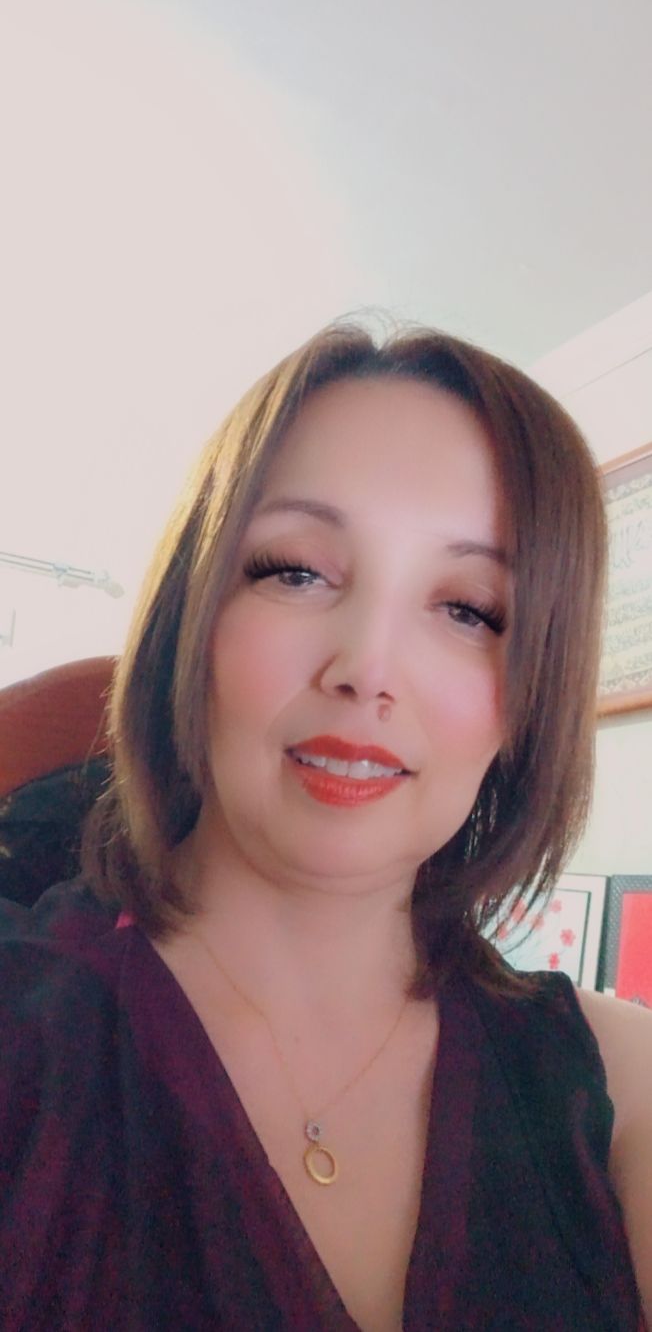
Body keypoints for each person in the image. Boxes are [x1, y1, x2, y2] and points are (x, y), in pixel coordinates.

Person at [0, 319, 649, 1331]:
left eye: (470, 609)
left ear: (530, 699)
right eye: (295, 570)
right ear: (192, 617)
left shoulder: (623, 1086)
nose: (368, 667)